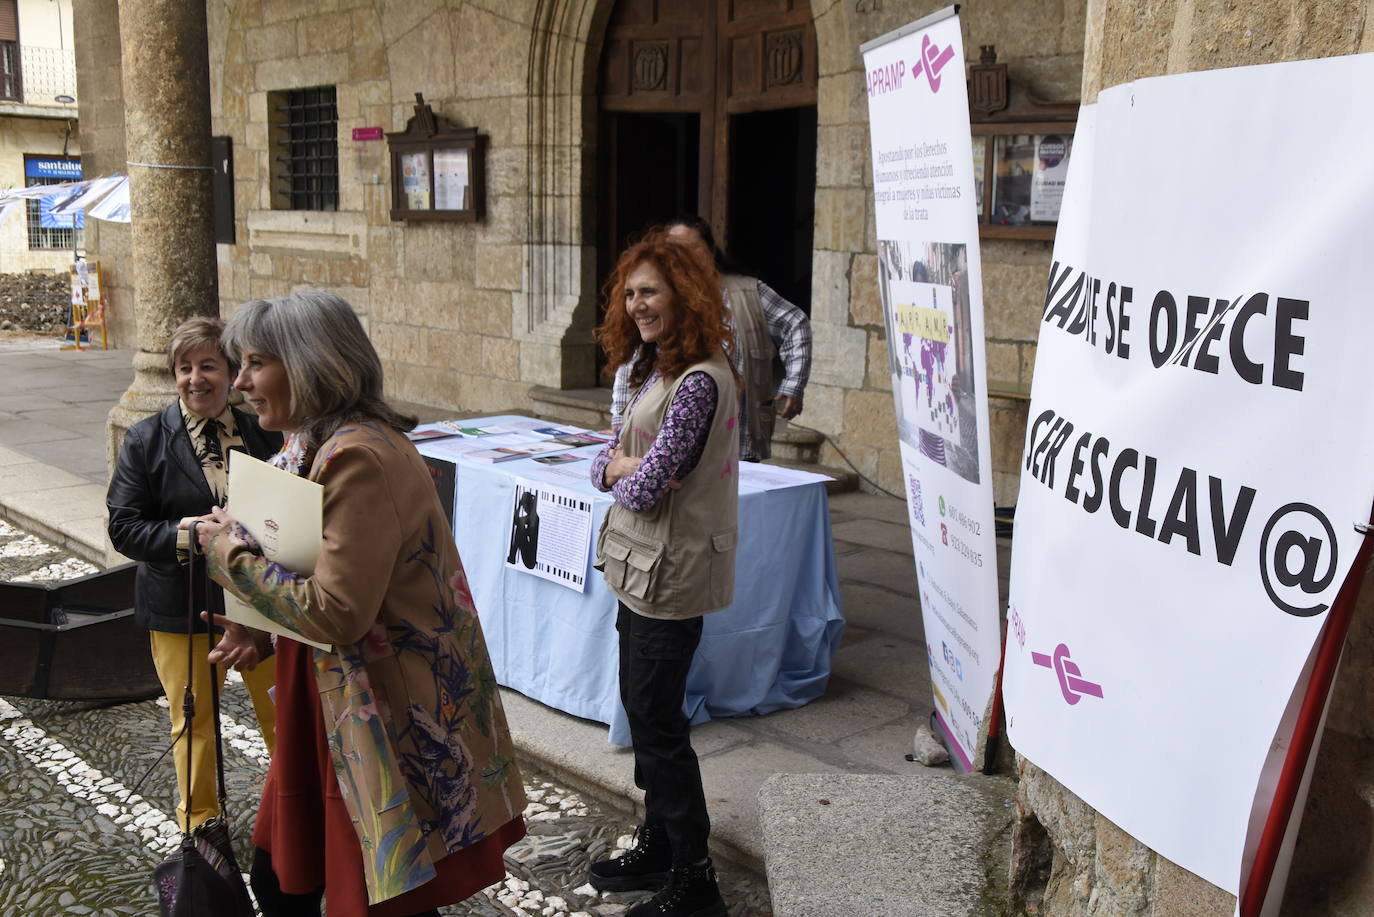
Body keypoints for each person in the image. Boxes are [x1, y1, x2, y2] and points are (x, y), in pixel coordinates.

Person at [194, 290, 526, 917]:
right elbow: (312, 567)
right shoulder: (317, 445)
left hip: (375, 713)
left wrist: (228, 556)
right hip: (330, 698)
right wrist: (260, 628)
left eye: (255, 363)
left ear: (310, 364)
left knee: (367, 895)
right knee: (296, 880)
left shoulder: (356, 458)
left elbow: (338, 610)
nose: (240, 382)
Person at [587, 237, 738, 917]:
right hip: (638, 569)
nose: (637, 304)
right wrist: (619, 466)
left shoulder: (699, 381)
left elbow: (643, 485)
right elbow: (605, 463)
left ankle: (694, 875)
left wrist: (620, 467)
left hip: (669, 576)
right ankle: (659, 840)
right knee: (644, 712)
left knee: (660, 724)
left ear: (684, 295)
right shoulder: (655, 369)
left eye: (651, 291)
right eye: (630, 292)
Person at [106, 316, 281, 830]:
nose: (195, 379)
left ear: (230, 372)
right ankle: (200, 823)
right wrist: (188, 536)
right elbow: (124, 527)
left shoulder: (262, 431)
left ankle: (293, 813)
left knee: (283, 715)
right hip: (181, 607)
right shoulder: (145, 440)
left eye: (208, 365)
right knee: (194, 722)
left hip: (262, 605)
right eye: (184, 368)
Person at [609, 214, 811, 462]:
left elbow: (795, 323)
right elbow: (631, 360)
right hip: (672, 449)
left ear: (710, 251)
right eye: (674, 250)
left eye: (692, 249)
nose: (685, 258)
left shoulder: (746, 292)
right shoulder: (660, 303)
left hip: (739, 444)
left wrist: (794, 383)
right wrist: (620, 425)